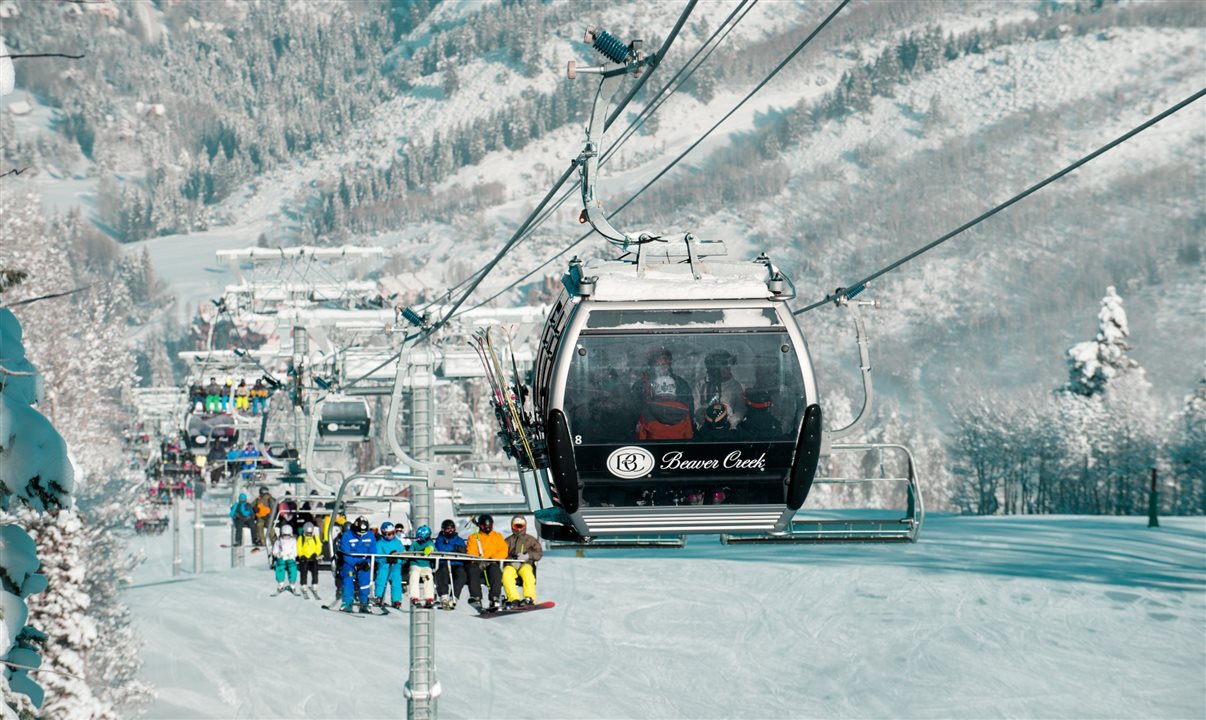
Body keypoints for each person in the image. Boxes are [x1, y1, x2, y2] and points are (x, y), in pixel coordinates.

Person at [633, 348, 695, 440]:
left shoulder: (680, 383)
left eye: (667, 364)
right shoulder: (641, 384)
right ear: (652, 365)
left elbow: (688, 408)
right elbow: (634, 410)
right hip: (651, 431)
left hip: (677, 431)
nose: (664, 367)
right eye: (659, 364)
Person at [465, 514, 507, 612]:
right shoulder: (474, 537)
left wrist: (492, 559)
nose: (487, 529)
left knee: (495, 570)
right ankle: (476, 597)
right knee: (472, 570)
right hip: (479, 564)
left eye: (490, 526)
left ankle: (495, 598)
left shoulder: (497, 536)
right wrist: (478, 560)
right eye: (484, 527)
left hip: (492, 563)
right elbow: (470, 552)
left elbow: (503, 551)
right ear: (480, 526)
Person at [501, 516, 543, 609]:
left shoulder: (530, 540)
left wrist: (528, 555)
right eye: (516, 526)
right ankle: (513, 599)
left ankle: (529, 598)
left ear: (525, 526)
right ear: (512, 527)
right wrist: (510, 559)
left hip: (526, 564)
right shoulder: (508, 541)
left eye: (521, 526)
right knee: (506, 574)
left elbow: (539, 553)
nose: (519, 529)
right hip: (511, 564)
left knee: (527, 573)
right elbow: (500, 552)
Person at [338, 516, 378, 613]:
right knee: (348, 577)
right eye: (359, 533)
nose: (360, 535)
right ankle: (347, 602)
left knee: (365, 577)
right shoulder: (347, 536)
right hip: (350, 563)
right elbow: (346, 553)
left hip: (364, 562)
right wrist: (355, 564)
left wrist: (367, 563)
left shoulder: (370, 535)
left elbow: (373, 551)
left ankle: (364, 602)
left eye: (363, 533)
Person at [697, 350, 744, 429]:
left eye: (729, 365)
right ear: (715, 369)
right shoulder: (701, 385)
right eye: (725, 365)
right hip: (706, 430)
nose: (729, 368)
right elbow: (695, 409)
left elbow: (741, 409)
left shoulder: (735, 386)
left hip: (728, 430)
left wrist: (730, 423)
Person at [434, 519, 468, 610]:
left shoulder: (460, 540)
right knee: (442, 571)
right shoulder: (440, 539)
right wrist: (454, 547)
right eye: (448, 529)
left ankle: (454, 597)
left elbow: (464, 551)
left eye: (452, 529)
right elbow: (441, 548)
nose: (450, 531)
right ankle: (444, 596)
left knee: (461, 574)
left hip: (456, 563)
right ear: (443, 530)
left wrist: (460, 549)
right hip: (443, 562)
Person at [373, 521, 407, 609]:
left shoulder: (397, 542)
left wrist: (399, 560)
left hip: (395, 565)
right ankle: (379, 596)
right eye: (388, 534)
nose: (391, 536)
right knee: (381, 577)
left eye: (393, 533)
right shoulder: (380, 543)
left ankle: (396, 600)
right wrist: (386, 559)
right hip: (385, 565)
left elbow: (403, 554)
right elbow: (377, 557)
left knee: (396, 579)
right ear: (384, 533)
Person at [408, 525, 437, 609]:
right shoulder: (415, 544)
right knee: (414, 575)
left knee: (428, 577)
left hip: (426, 565)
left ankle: (429, 598)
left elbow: (435, 552)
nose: (419, 539)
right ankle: (414, 597)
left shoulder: (430, 544)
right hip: (415, 564)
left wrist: (431, 550)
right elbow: (409, 553)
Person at [296, 522, 323, 600]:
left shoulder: (315, 537)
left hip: (312, 557)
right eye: (307, 533)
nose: (308, 534)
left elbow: (318, 547)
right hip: (304, 558)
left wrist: (316, 553)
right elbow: (299, 548)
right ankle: (303, 585)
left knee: (315, 570)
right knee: (303, 571)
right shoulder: (301, 538)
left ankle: (314, 584)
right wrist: (301, 555)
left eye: (310, 533)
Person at [270, 524, 299, 595]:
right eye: (285, 535)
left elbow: (295, 551)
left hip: (290, 557)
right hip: (282, 557)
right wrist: (278, 554)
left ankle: (292, 583)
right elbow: (274, 551)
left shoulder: (293, 541)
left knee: (292, 568)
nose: (286, 537)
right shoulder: (278, 541)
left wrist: (291, 555)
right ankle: (280, 583)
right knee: (280, 567)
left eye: (288, 535)